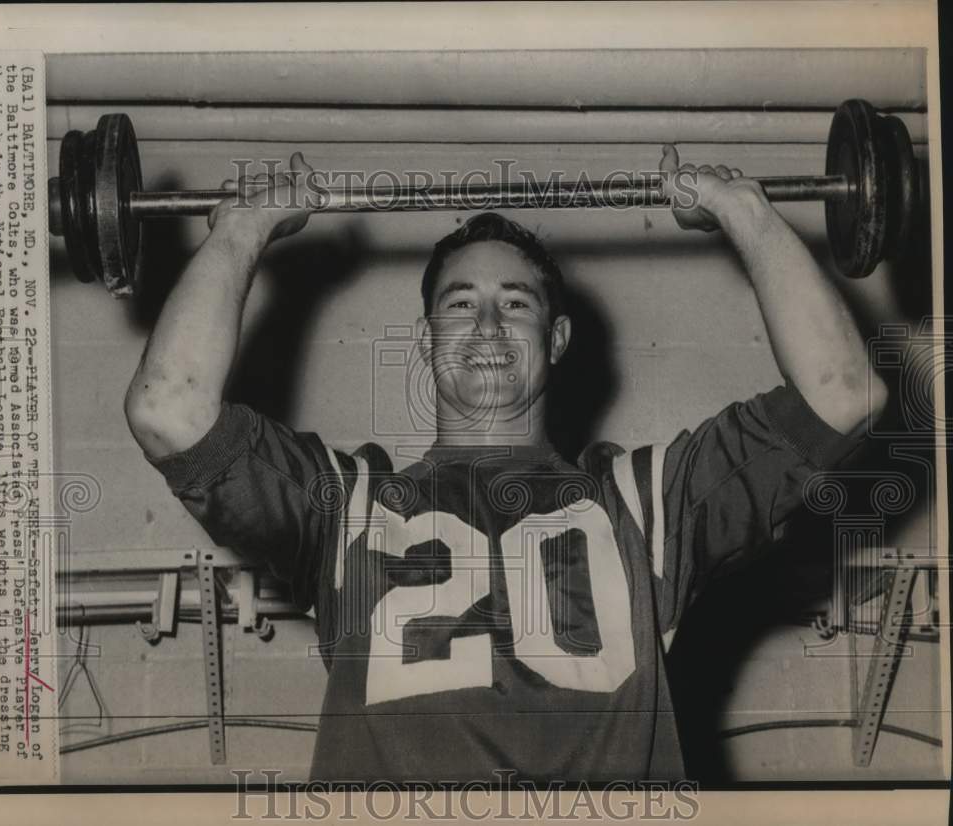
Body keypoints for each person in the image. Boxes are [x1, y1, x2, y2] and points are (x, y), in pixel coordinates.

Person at [124, 147, 887, 784]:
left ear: (555, 340)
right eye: (460, 305)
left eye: (515, 304)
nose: (487, 324)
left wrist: (743, 209)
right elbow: (170, 409)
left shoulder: (644, 502)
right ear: (427, 339)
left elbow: (843, 393)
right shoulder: (345, 507)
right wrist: (242, 229)